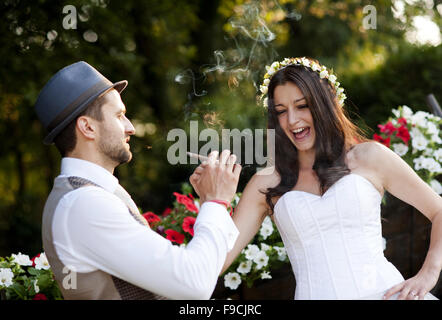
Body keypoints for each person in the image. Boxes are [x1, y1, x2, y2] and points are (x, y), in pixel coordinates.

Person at [192, 57, 442, 300]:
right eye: (281, 111)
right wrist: (211, 201)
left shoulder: (369, 157)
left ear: (326, 104)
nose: (292, 120)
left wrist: (428, 273)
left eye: (302, 106)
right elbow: (214, 262)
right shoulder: (265, 183)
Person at [34, 61, 242, 300]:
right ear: (88, 127)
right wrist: (215, 202)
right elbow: (194, 285)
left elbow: (197, 272)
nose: (130, 127)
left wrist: (212, 200)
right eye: (119, 115)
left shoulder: (90, 195)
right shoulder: (84, 204)